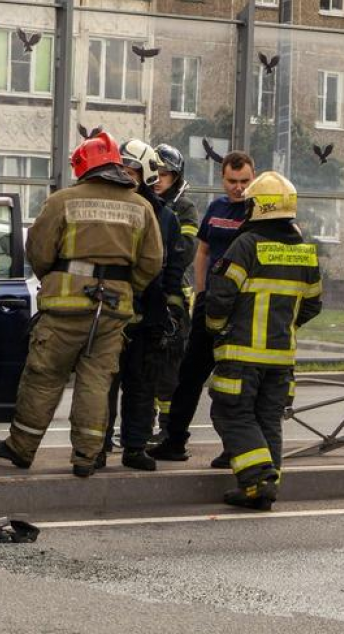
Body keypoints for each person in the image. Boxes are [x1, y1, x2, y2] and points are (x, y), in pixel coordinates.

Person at [0, 131, 163, 477]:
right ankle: (86, 457)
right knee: (96, 382)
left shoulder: (62, 201)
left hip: (64, 308)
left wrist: (59, 278)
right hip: (112, 312)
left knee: (44, 377)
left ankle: (22, 448)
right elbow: (152, 262)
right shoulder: (142, 207)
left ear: (82, 167)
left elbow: (39, 251)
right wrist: (125, 285)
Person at [204, 171, 321, 509]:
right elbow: (313, 304)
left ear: (257, 207)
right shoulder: (305, 252)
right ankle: (268, 483)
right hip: (282, 359)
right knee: (268, 419)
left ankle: (257, 481)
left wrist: (216, 327)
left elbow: (220, 295)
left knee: (232, 414)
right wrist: (284, 326)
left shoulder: (247, 244)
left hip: (242, 353)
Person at [149, 152, 255, 466]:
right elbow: (203, 250)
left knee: (232, 382)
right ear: (222, 179)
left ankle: (233, 448)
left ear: (254, 178)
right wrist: (202, 291)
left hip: (240, 309)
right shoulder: (217, 208)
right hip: (210, 303)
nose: (238, 188)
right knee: (190, 374)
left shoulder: (258, 211)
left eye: (244, 182)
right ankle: (175, 441)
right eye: (232, 181)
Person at [102, 139, 186, 472]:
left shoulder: (165, 216)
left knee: (141, 385)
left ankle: (135, 447)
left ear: (146, 172)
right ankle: (96, 446)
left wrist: (168, 312)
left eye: (131, 168)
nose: (124, 174)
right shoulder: (107, 207)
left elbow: (172, 270)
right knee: (102, 384)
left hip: (146, 314)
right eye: (120, 167)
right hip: (108, 311)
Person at [149, 143, 199, 443]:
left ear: (176, 178)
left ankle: (168, 428)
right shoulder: (142, 201)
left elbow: (185, 251)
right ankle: (146, 424)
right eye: (154, 174)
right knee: (145, 367)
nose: (158, 180)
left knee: (169, 366)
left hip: (173, 296)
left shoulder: (183, 208)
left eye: (164, 175)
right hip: (145, 291)